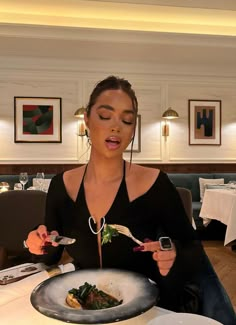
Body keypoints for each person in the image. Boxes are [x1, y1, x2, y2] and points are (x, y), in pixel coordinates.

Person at [25, 76, 236, 323]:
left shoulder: (155, 184)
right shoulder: (62, 186)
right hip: (82, 310)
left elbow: (191, 250)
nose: (116, 127)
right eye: (105, 116)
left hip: (150, 310)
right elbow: (50, 253)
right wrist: (35, 241)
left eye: (126, 120)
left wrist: (172, 254)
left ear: (133, 129)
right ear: (87, 121)